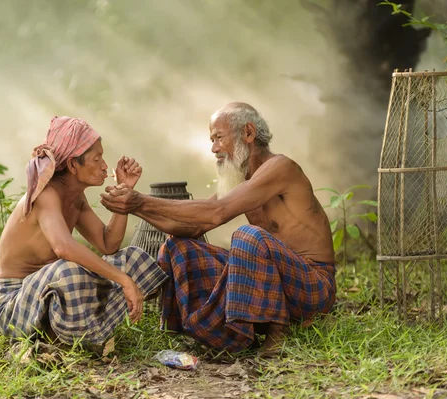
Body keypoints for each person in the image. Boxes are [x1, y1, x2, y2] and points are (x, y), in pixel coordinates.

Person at [100, 102, 337, 357]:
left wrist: (140, 200)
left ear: (248, 133)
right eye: (211, 140)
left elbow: (217, 212)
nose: (214, 149)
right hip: (275, 287)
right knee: (178, 246)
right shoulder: (244, 180)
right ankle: (208, 333)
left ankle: (276, 334)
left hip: (312, 288)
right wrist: (133, 205)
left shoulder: (281, 168)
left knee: (248, 236)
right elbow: (195, 225)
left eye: (218, 138)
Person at [0, 116, 168, 347]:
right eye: (97, 158)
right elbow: (63, 247)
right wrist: (123, 281)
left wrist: (123, 191)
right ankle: (78, 336)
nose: (105, 165)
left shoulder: (75, 198)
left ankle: (74, 334)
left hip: (57, 290)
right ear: (74, 165)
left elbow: (108, 244)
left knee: (135, 259)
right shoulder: (46, 195)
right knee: (69, 271)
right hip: (15, 305)